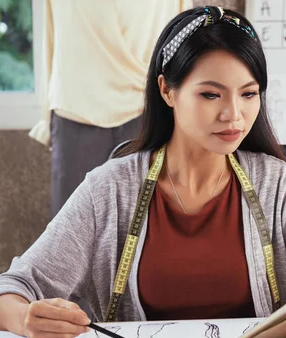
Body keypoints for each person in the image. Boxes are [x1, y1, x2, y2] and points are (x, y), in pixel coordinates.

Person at [0, 6, 286, 338]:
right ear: (167, 90)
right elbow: (9, 291)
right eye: (211, 95)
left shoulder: (275, 183)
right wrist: (27, 320)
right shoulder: (108, 189)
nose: (234, 115)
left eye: (248, 94)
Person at [30, 0, 190, 218]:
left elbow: (184, 41)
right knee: (72, 231)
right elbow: (51, 38)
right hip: (78, 110)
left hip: (148, 109)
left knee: (146, 231)